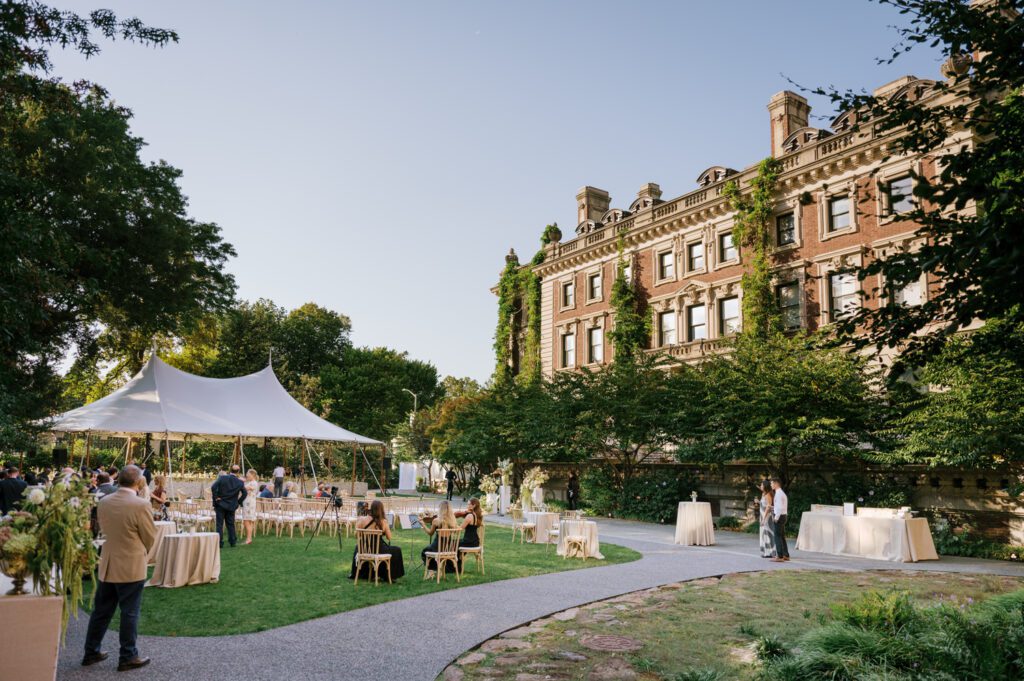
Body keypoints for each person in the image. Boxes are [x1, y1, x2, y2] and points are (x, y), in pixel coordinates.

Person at [82, 464, 156, 672]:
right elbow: (150, 537)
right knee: (129, 612)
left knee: (101, 612)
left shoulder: (104, 501)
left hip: (107, 562)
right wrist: (141, 552)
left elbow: (99, 528)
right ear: (138, 481)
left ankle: (90, 651)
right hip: (131, 564)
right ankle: (127, 656)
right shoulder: (140, 504)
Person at [349, 499, 404, 581]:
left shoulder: (361, 519)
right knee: (396, 550)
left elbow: (356, 536)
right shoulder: (383, 522)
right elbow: (389, 537)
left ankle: (361, 573)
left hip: (364, 549)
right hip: (378, 549)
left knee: (358, 547)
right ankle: (388, 576)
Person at [211, 465, 247, 549]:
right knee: (230, 524)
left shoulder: (222, 478)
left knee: (219, 524)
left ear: (230, 470)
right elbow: (245, 494)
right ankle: (232, 541)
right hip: (231, 505)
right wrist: (238, 502)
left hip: (221, 504)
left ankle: (219, 543)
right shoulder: (240, 482)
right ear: (238, 472)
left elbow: (213, 487)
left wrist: (216, 497)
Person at [420, 500, 459, 575]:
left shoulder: (436, 521)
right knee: (430, 550)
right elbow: (457, 529)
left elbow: (430, 533)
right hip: (448, 549)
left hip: (437, 547)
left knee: (425, 551)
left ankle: (432, 570)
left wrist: (423, 525)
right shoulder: (452, 521)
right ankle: (439, 569)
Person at [770, 478, 790, 562]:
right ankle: (785, 555)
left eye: (772, 483)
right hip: (783, 515)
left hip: (780, 516)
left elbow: (780, 507)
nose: (771, 485)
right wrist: (773, 508)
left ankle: (780, 556)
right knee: (781, 536)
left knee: (777, 536)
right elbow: (780, 506)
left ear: (776, 484)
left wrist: (776, 517)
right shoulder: (781, 493)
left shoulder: (778, 494)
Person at [240, 469, 259, 545]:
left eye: (248, 475)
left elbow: (245, 488)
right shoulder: (251, 482)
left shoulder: (253, 483)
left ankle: (248, 539)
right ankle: (249, 538)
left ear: (252, 475)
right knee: (248, 522)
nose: (247, 476)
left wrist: (241, 482)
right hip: (248, 503)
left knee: (247, 521)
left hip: (249, 504)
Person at [758, 480, 776, 559]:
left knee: (768, 533)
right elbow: (764, 504)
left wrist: (764, 518)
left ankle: (770, 552)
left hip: (767, 516)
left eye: (762, 485)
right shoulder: (763, 494)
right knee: (763, 533)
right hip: (763, 515)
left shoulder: (768, 495)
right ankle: (766, 551)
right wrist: (758, 502)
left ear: (765, 486)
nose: (761, 486)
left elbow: (768, 507)